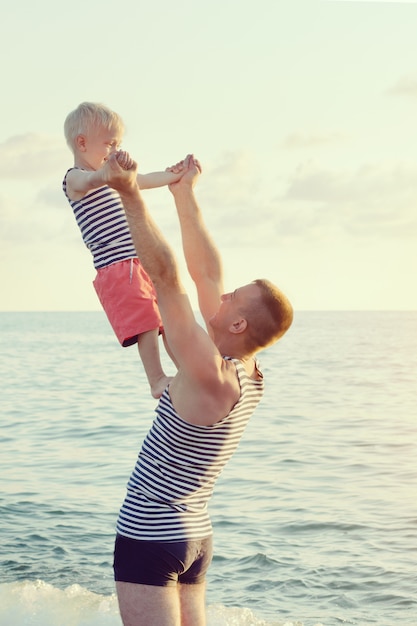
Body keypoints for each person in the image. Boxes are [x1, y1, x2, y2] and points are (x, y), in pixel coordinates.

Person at [104, 153, 293, 626]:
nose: (223, 293)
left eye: (234, 297)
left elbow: (168, 280)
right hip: (194, 535)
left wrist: (129, 193)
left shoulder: (209, 372)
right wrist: (184, 195)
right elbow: (204, 274)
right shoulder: (245, 368)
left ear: (239, 322)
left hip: (151, 536)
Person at [63, 102, 185, 398]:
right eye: (109, 143)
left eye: (117, 143)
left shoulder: (112, 179)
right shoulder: (74, 178)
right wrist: (109, 173)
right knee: (146, 324)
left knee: (166, 319)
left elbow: (141, 181)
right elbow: (92, 179)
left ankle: (186, 369)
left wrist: (173, 175)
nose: (115, 148)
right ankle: (156, 380)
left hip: (140, 262)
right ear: (82, 143)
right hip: (117, 267)